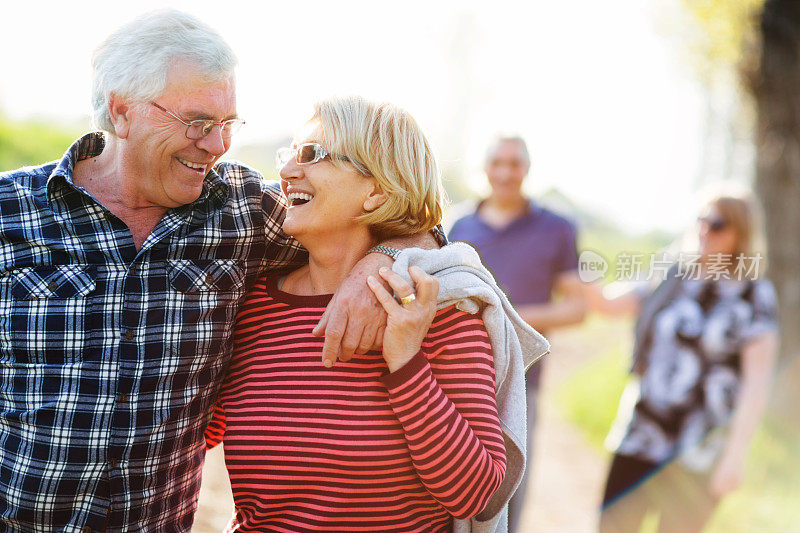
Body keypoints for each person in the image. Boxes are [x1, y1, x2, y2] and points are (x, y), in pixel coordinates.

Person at [0, 11, 440, 532]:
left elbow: (409, 222)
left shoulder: (243, 209)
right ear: (121, 112)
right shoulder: (11, 210)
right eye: (198, 123)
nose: (216, 145)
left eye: (228, 125)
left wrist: (378, 262)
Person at [204, 96, 508, 532]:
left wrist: (406, 362)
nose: (288, 172)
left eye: (312, 155)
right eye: (289, 154)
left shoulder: (437, 311)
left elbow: (478, 494)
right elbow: (193, 438)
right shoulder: (251, 308)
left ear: (377, 191)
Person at [587, 192, 779, 532]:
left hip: (700, 452)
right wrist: (568, 269)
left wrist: (735, 456)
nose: (705, 230)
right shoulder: (672, 272)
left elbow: (756, 385)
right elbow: (610, 303)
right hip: (640, 436)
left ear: (742, 233)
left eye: (717, 224)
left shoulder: (754, 294)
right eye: (701, 220)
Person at [448, 135, 586, 530]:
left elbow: (576, 308)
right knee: (449, 483)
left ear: (527, 169)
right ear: (485, 168)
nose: (506, 172)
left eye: (515, 163)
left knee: (508, 490)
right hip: (456, 375)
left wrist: (504, 316)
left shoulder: (557, 228)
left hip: (523, 380)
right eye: (498, 163)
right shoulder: (457, 223)